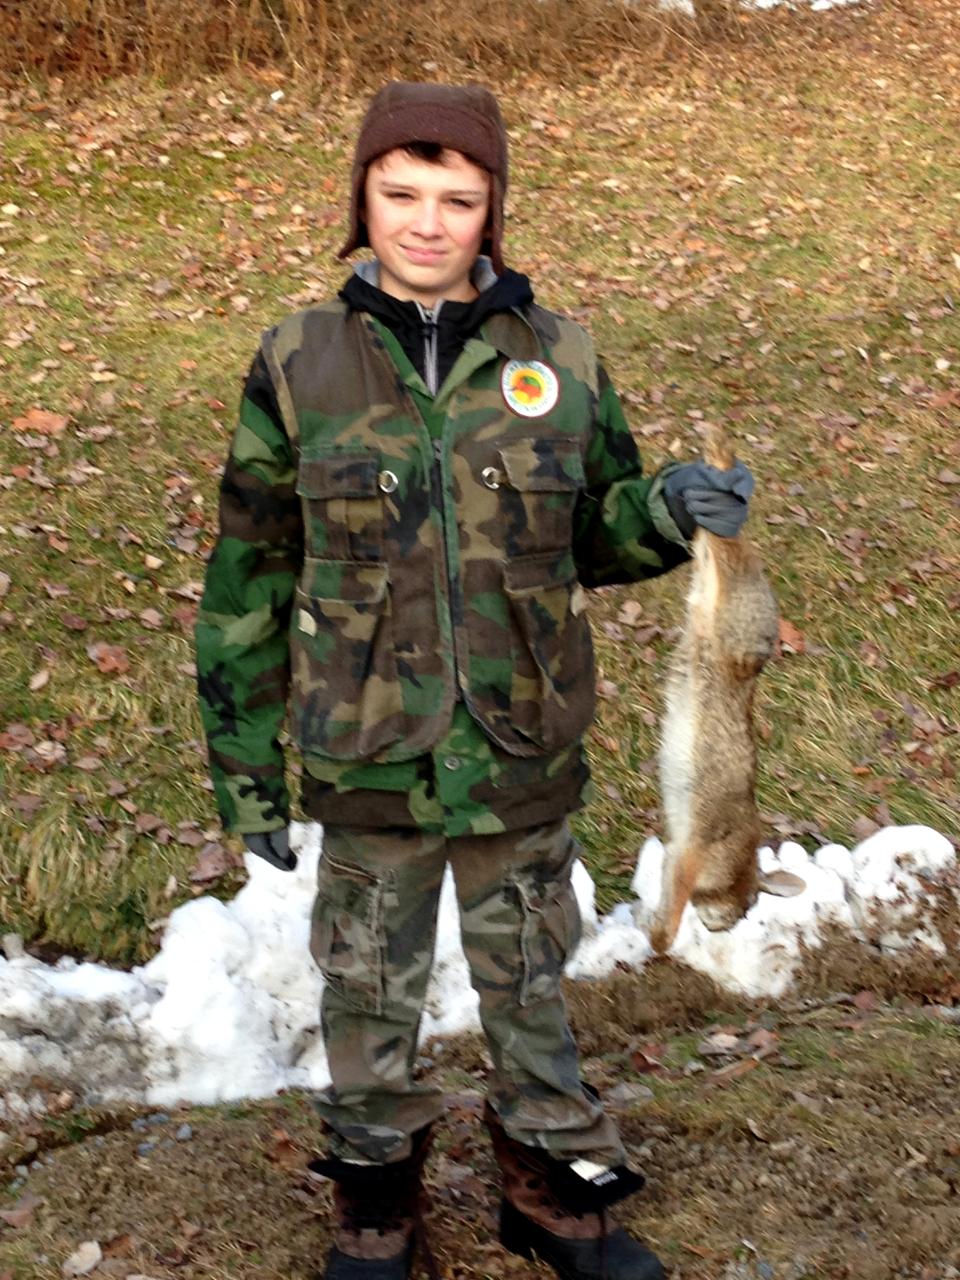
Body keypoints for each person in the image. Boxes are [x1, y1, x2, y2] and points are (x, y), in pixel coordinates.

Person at [194, 81, 754, 1280]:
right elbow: (248, 572)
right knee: (366, 989)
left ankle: (548, 1192)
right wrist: (245, 773)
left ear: (494, 208)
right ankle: (376, 1207)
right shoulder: (300, 359)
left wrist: (669, 507)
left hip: (522, 746)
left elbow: (599, 534)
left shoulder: (561, 353)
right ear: (363, 198)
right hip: (366, 746)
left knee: (531, 980)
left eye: (458, 196)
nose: (428, 222)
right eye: (401, 193)